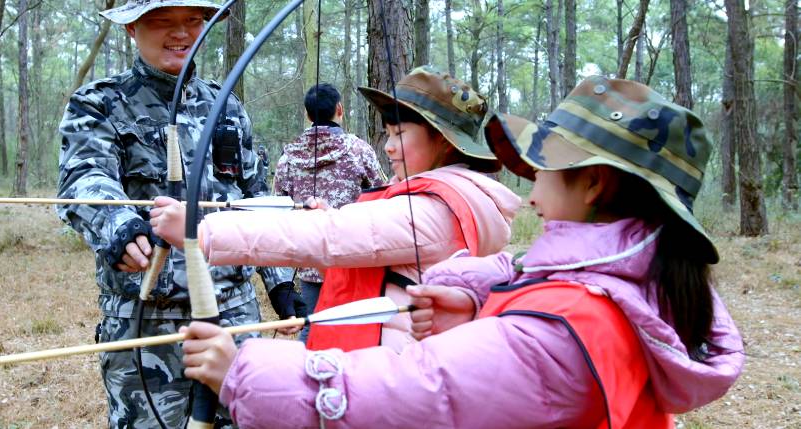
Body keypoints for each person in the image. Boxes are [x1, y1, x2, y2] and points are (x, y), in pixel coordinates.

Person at [174, 76, 745, 428]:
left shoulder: (561, 327)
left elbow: (423, 393)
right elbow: (521, 315)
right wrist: (479, 304)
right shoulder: (638, 284)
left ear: (594, 184)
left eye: (543, 169)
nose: (533, 188)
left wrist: (242, 369)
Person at [151, 67, 522, 352]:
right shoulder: (456, 197)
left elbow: (329, 236)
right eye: (388, 135)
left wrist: (199, 231)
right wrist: (330, 215)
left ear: (442, 140)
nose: (389, 147)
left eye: (399, 134)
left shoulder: (431, 210)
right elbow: (354, 231)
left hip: (394, 369)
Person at [56, 1, 299, 427]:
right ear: (132, 28)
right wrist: (119, 226)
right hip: (149, 324)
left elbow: (253, 198)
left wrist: (280, 283)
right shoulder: (99, 103)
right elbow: (84, 178)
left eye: (192, 21)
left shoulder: (226, 106)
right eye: (161, 21)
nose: (181, 33)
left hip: (232, 316)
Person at [273, 83, 386, 342]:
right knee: (358, 329)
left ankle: (308, 377)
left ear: (308, 114)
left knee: (313, 326)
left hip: (311, 258)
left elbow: (281, 207)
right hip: (354, 258)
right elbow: (384, 195)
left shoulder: (288, 157)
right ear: (340, 109)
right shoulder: (358, 150)